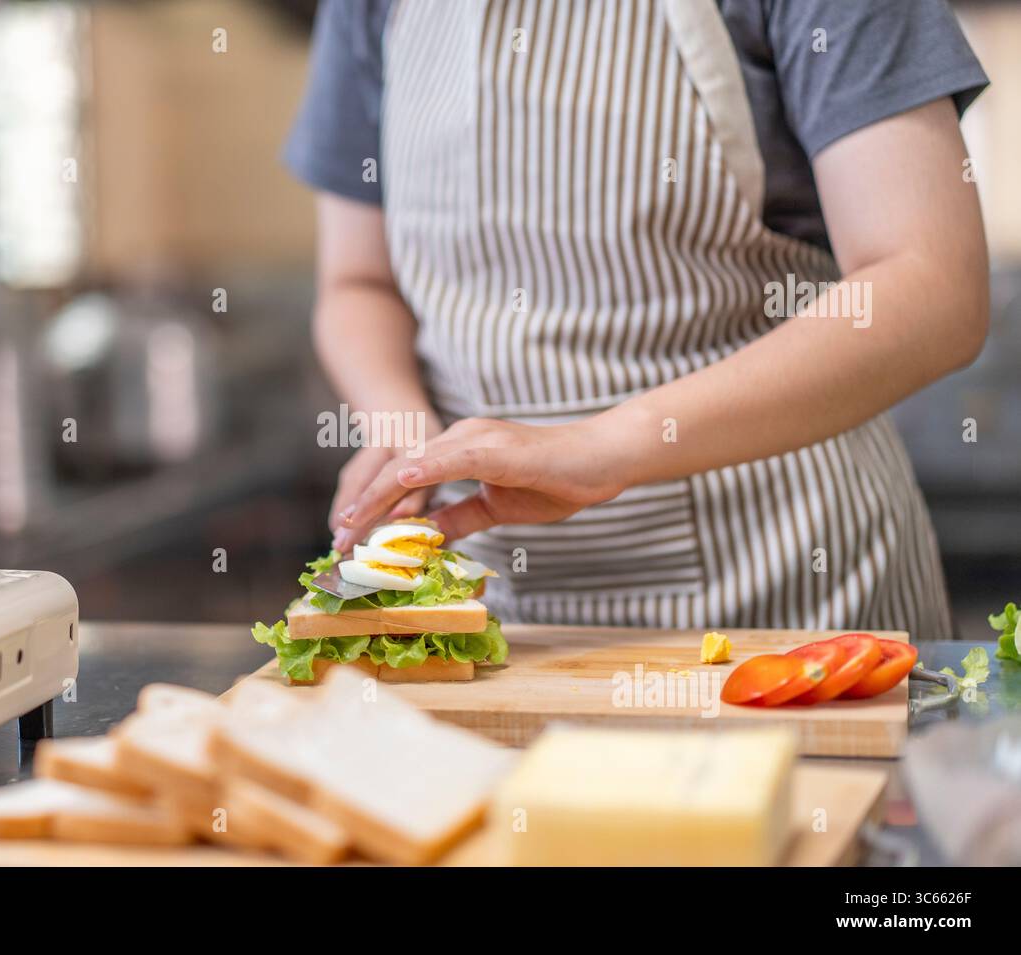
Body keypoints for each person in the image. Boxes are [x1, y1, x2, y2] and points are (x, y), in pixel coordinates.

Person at [285, 0, 990, 635]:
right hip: (492, 608)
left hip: (791, 601)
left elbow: (930, 285)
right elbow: (359, 282)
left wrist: (604, 448)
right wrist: (407, 436)